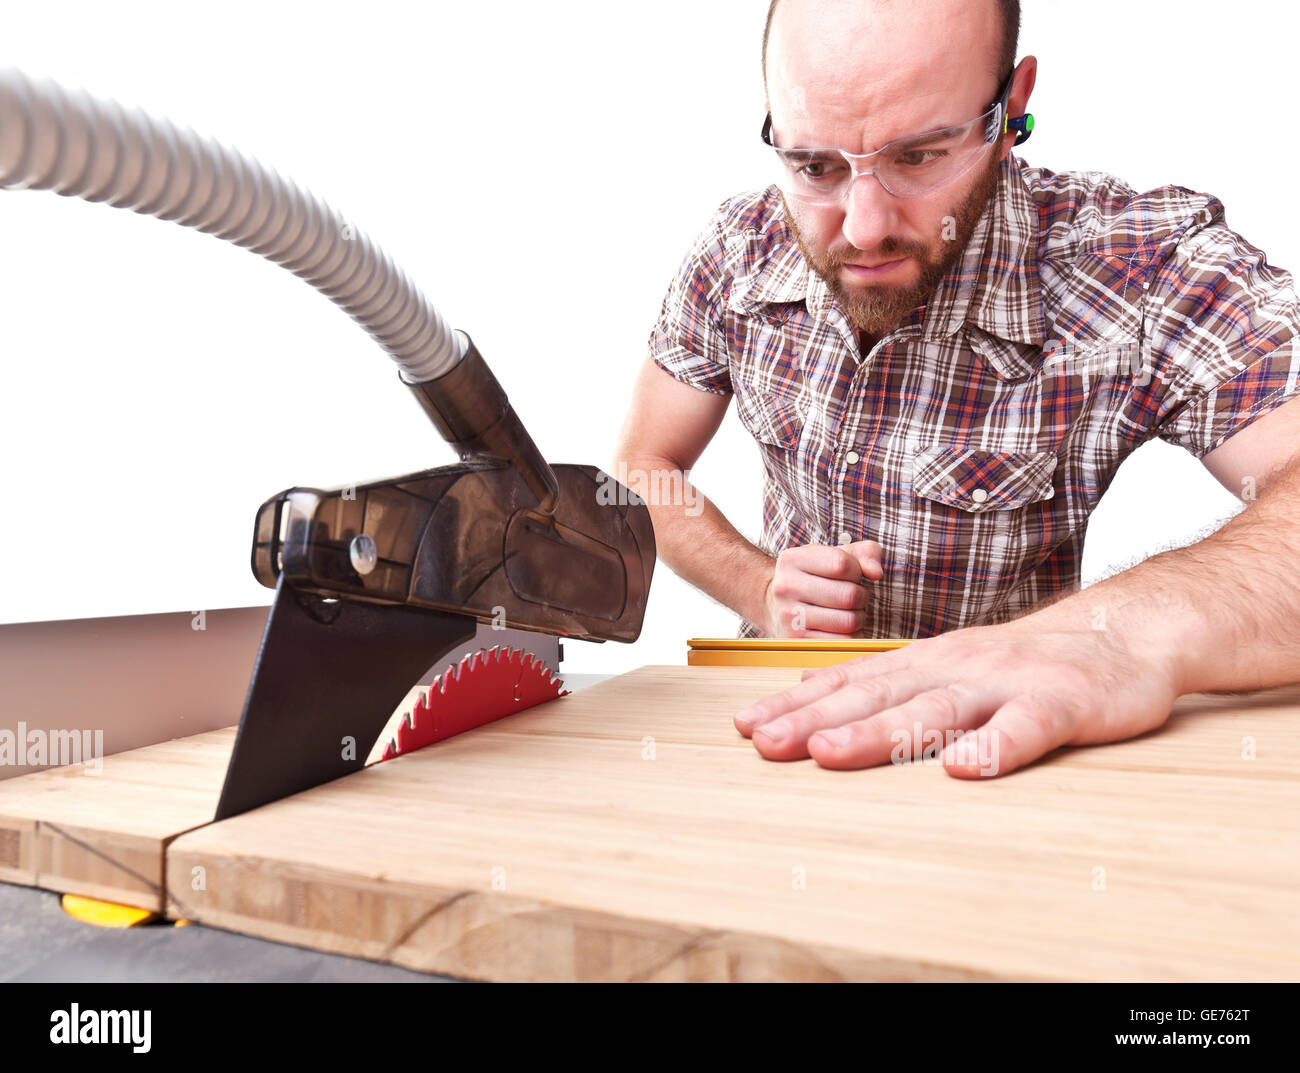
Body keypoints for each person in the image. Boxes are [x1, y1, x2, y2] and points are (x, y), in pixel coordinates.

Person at [612, 0, 1300, 777]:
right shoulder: (736, 249)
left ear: (1011, 110)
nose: (864, 227)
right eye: (816, 166)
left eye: (919, 156)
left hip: (996, 763)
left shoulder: (1139, 269)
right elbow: (641, 468)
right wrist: (760, 584)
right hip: (777, 736)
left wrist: (1116, 637)